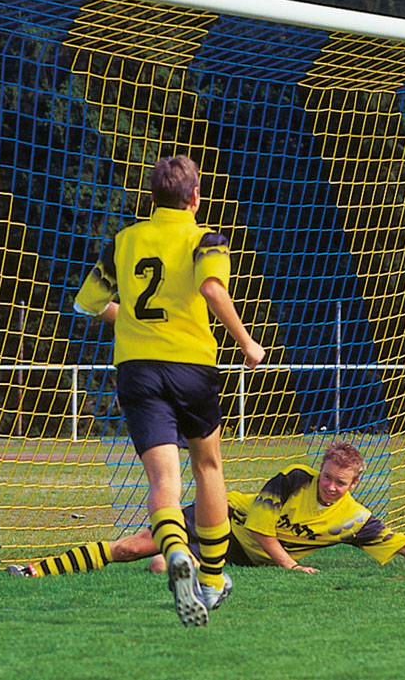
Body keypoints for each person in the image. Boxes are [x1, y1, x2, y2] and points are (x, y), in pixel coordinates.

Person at [71, 154, 265, 627]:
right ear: (195, 197)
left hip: (137, 370)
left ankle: (176, 549)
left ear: (151, 198)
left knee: (163, 480)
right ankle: (214, 579)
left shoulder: (123, 241)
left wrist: (134, 322)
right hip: (191, 367)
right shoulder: (206, 240)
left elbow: (89, 304)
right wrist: (247, 342)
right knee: (208, 465)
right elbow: (214, 291)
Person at [6, 442, 405, 578]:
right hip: (223, 517)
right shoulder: (294, 479)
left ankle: (179, 564)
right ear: (320, 469)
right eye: (327, 476)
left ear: (355, 484)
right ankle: (33, 570)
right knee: (134, 546)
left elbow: (400, 542)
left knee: (157, 563)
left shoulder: (352, 517)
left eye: (340, 482)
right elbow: (267, 534)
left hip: (238, 555)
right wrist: (293, 566)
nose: (329, 486)